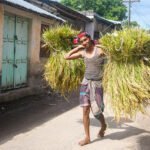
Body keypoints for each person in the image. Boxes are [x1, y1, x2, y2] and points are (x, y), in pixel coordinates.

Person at [64, 32, 107, 146]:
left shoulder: (100, 51)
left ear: (89, 38)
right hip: (85, 83)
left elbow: (113, 52)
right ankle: (87, 137)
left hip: (97, 84)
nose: (84, 42)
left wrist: (100, 46)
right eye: (82, 41)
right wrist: (77, 48)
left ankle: (103, 125)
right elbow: (66, 57)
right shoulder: (82, 52)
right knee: (85, 110)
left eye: (85, 40)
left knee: (97, 112)